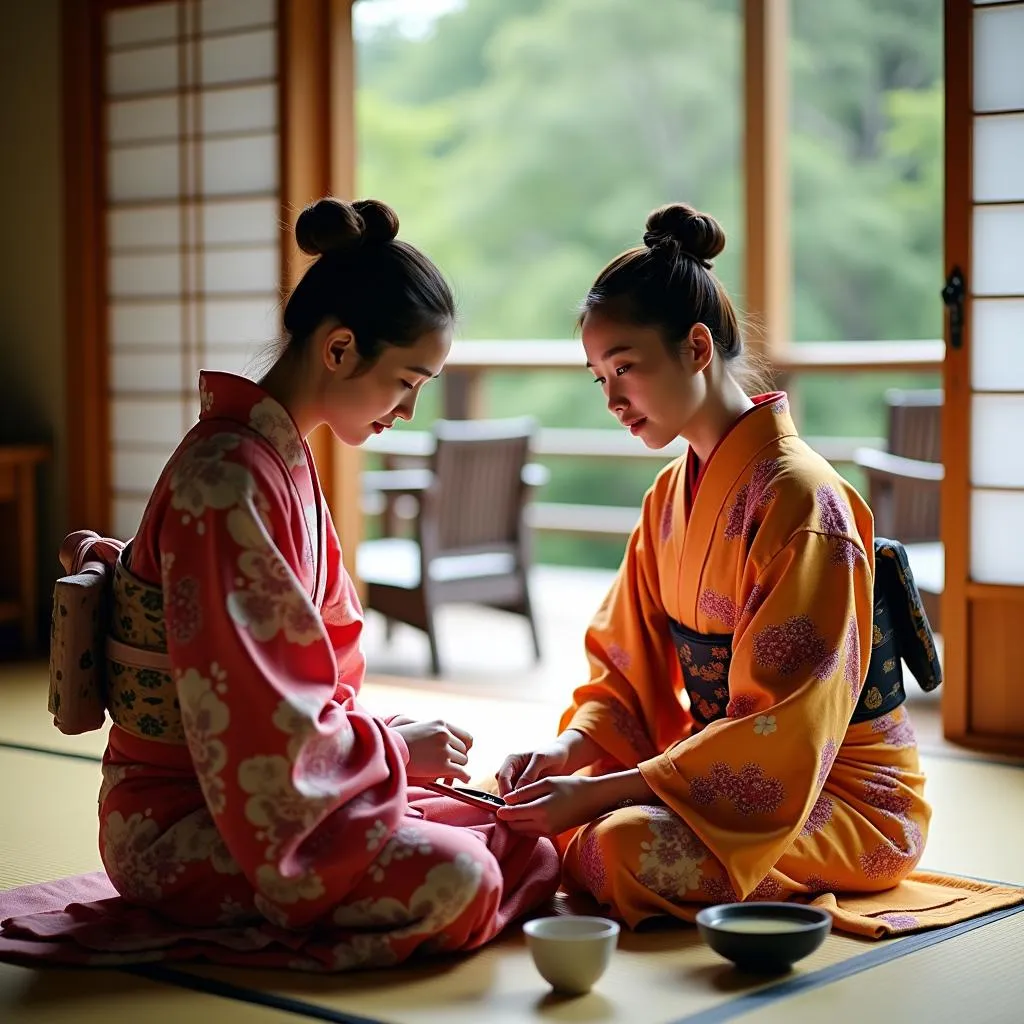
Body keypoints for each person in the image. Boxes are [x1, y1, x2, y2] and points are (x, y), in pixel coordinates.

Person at [93, 197, 559, 968]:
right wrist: (394, 752)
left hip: (273, 789)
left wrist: (377, 753)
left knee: (516, 833)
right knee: (463, 875)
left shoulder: (280, 465)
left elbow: (311, 685)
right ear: (339, 349)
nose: (409, 410)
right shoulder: (224, 478)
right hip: (182, 819)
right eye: (407, 381)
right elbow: (252, 722)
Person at [494, 203, 929, 926]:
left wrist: (603, 793)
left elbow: (784, 731)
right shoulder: (668, 498)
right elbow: (623, 671)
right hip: (720, 777)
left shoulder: (804, 499)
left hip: (840, 796)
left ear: (697, 348)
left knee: (616, 848)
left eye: (625, 368)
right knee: (523, 812)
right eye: (598, 378)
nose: (613, 400)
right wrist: (570, 753)